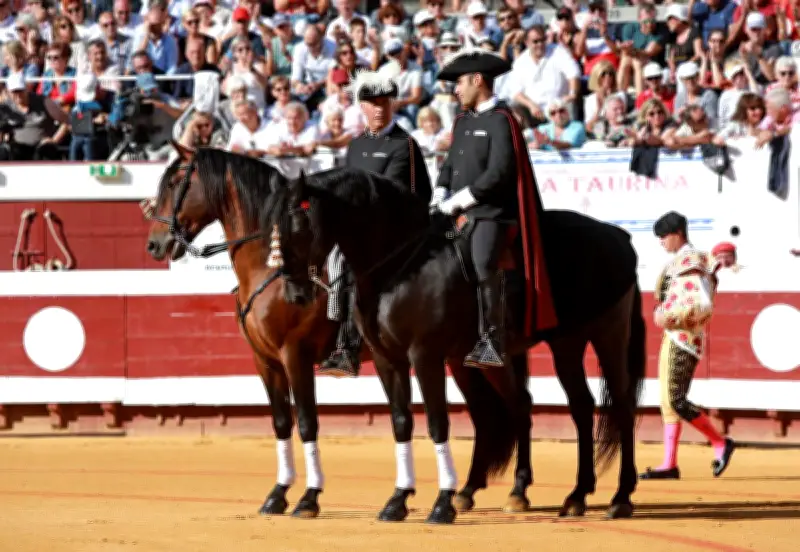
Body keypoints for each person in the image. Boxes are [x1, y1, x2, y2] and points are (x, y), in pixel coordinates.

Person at [431, 48, 558, 369]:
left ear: (478, 81)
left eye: (459, 83)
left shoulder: (502, 119)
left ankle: (492, 339)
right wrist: (441, 188)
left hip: (491, 213)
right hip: (454, 208)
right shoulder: (462, 120)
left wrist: (461, 199)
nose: (455, 90)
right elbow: (451, 162)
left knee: (483, 262)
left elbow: (500, 172)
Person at [319, 69, 432, 378]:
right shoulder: (355, 146)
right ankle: (331, 336)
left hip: (397, 229)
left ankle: (347, 345)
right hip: (362, 230)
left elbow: (399, 195)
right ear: (362, 107)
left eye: (384, 103)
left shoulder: (404, 144)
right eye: (373, 103)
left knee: (350, 267)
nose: (380, 109)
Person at [640, 211, 735, 481]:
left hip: (683, 337)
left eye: (663, 236)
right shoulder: (689, 259)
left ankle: (720, 443)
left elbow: (702, 304)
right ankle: (669, 464)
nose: (661, 241)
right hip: (676, 337)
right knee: (668, 402)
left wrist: (669, 316)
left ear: (677, 233)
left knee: (676, 400)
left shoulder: (689, 260)